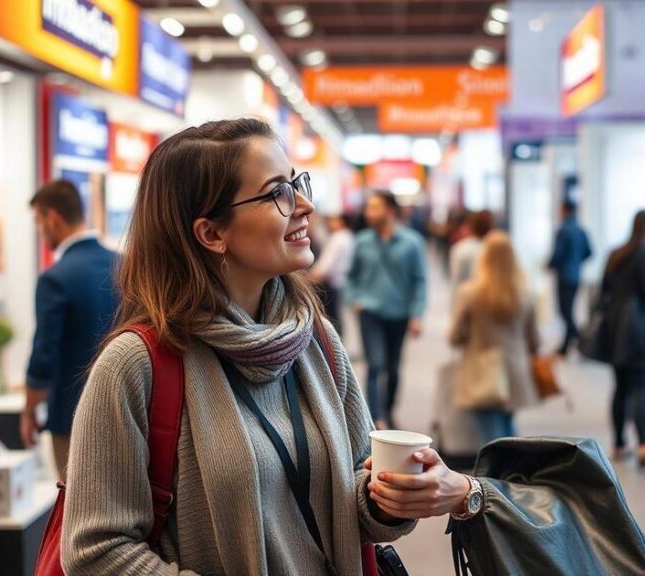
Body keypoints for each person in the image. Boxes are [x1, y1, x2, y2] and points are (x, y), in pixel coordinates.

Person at [58, 119, 474, 575]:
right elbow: (95, 551)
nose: (305, 205)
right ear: (212, 233)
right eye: (278, 192)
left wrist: (389, 498)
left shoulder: (314, 340)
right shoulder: (136, 366)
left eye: (297, 183)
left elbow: (352, 494)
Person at [20, 179, 119, 479]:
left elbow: (45, 353)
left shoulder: (55, 279)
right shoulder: (125, 265)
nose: (42, 233)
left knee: (73, 508)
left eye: (40, 223)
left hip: (72, 417)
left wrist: (28, 410)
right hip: (128, 411)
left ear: (52, 218)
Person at [346, 191, 427, 429]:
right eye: (368, 207)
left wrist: (417, 315)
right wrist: (355, 300)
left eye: (375, 207)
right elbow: (351, 278)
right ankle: (375, 418)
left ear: (390, 210)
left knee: (393, 369)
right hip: (369, 312)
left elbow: (419, 281)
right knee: (375, 364)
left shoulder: (412, 242)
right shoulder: (361, 241)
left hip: (399, 314)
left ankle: (388, 410)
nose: (368, 213)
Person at [448, 230, 540, 443]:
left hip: (482, 370)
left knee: (491, 437)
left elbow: (455, 336)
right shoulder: (525, 293)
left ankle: (503, 473)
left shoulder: (470, 292)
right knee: (506, 426)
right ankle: (515, 468)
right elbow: (535, 339)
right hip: (515, 371)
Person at [600, 210, 645, 466]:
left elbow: (603, 292)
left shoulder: (615, 255)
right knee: (641, 386)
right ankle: (643, 443)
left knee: (620, 387)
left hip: (615, 330)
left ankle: (619, 443)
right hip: (639, 331)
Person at [548, 201, 592, 356]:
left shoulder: (564, 230)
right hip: (576, 275)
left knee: (565, 311)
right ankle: (566, 346)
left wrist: (550, 265)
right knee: (569, 310)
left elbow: (557, 254)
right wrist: (577, 261)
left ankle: (581, 338)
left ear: (564, 210)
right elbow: (589, 252)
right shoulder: (581, 230)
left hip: (565, 276)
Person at [308, 214, 355, 337]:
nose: (330, 223)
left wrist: (308, 279)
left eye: (334, 220)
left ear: (341, 222)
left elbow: (325, 265)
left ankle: (336, 346)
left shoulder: (337, 238)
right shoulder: (348, 236)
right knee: (342, 317)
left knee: (333, 319)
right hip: (344, 281)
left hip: (332, 283)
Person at [449, 209, 494, 302]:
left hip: (470, 302)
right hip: (492, 302)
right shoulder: (496, 248)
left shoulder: (461, 249)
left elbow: (457, 282)